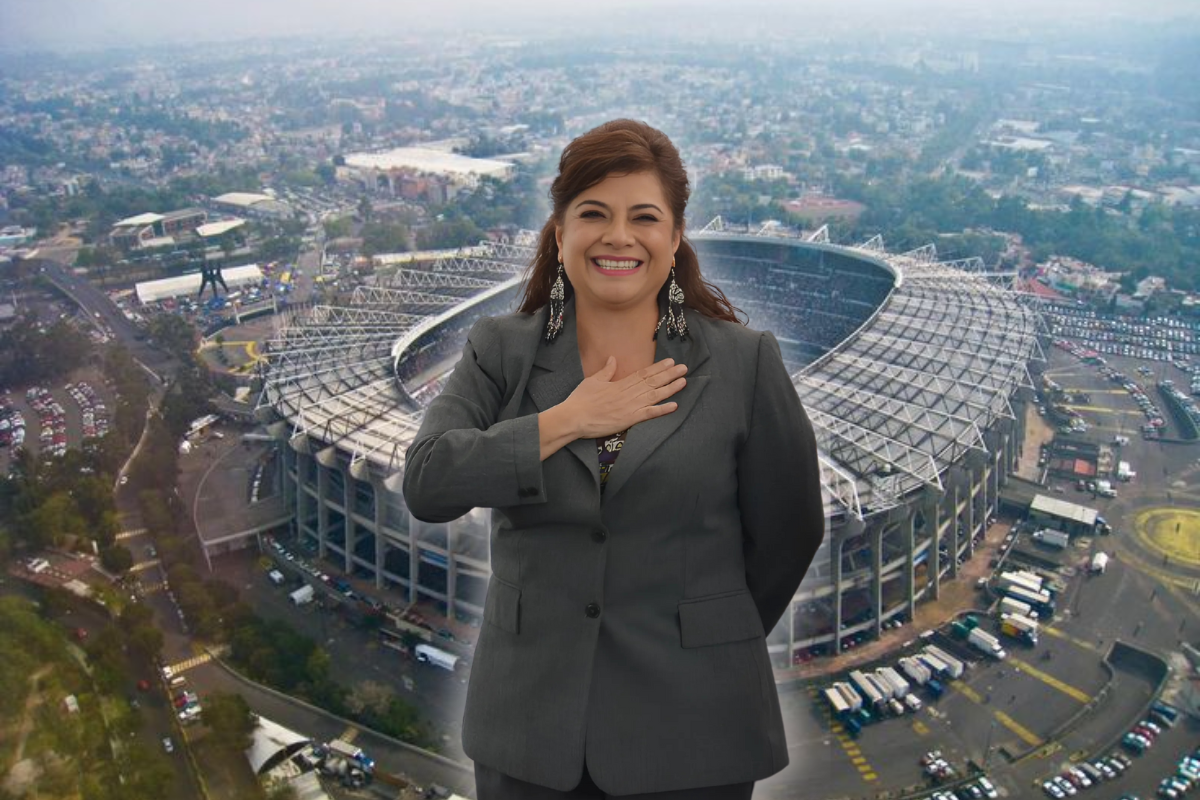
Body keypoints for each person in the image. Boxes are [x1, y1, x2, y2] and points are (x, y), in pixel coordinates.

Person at [402, 119, 826, 798]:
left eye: (644, 217)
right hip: (531, 731)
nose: (618, 236)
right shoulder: (501, 350)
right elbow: (428, 481)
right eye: (593, 213)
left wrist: (709, 626)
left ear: (675, 236)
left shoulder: (743, 363)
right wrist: (566, 421)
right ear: (561, 232)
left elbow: (792, 529)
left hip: (696, 729)